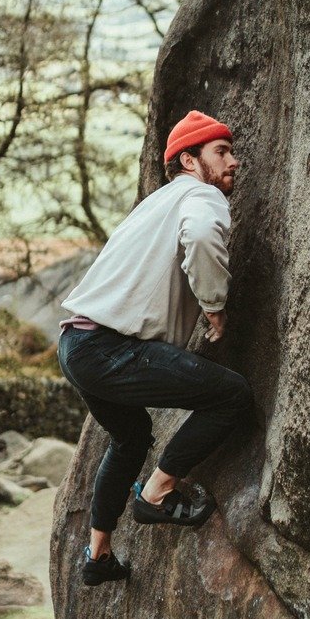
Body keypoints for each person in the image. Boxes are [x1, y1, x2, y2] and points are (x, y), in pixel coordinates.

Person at [58, 109, 251, 585]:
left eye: (232, 152)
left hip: (75, 343)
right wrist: (214, 305)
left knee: (130, 437)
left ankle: (98, 555)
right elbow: (203, 235)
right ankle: (156, 496)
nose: (235, 162)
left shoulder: (156, 203)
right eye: (221, 152)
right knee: (232, 396)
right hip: (108, 348)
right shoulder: (199, 194)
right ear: (189, 161)